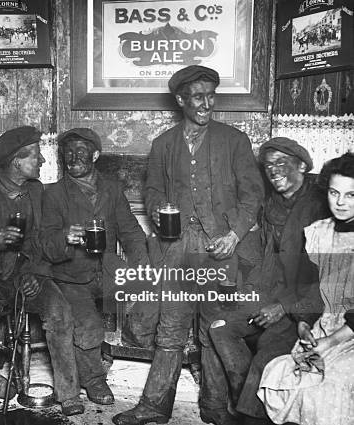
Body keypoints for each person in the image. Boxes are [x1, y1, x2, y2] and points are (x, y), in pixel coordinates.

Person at [113, 65, 265, 425]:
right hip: (179, 246)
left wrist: (234, 235)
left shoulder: (234, 140)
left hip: (223, 246)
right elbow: (151, 192)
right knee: (170, 326)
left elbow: (252, 195)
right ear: (181, 99)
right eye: (199, 96)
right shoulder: (163, 144)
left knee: (215, 326)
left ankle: (214, 406)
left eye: (212, 95)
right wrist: (159, 212)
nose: (207, 103)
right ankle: (154, 406)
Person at [0, 126, 83, 415]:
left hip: (29, 276)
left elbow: (40, 239)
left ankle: (68, 394)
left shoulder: (35, 190)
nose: (42, 161)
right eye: (36, 156)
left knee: (60, 313)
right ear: (17, 161)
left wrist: (36, 271)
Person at [210, 137, 328, 424]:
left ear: (302, 165)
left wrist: (283, 306)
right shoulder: (271, 204)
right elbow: (265, 256)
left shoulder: (323, 206)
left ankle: (253, 417)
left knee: (269, 354)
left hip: (309, 307)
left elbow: (328, 279)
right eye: (268, 165)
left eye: (281, 163)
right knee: (219, 326)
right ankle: (243, 405)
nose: (274, 170)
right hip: (270, 295)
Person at [41, 128, 150, 409]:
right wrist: (65, 236)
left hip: (108, 270)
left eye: (80, 151)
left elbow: (130, 232)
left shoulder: (111, 189)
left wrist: (141, 268)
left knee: (156, 296)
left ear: (96, 155)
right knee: (88, 325)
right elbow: (46, 245)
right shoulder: (53, 194)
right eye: (68, 152)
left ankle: (117, 349)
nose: (73, 157)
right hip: (70, 275)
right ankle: (94, 379)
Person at [258, 152, 354, 425]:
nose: (340, 202)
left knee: (330, 385)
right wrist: (303, 324)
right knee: (280, 371)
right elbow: (308, 289)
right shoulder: (317, 233)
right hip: (324, 329)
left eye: (351, 195)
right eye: (334, 193)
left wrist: (329, 342)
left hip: (348, 336)